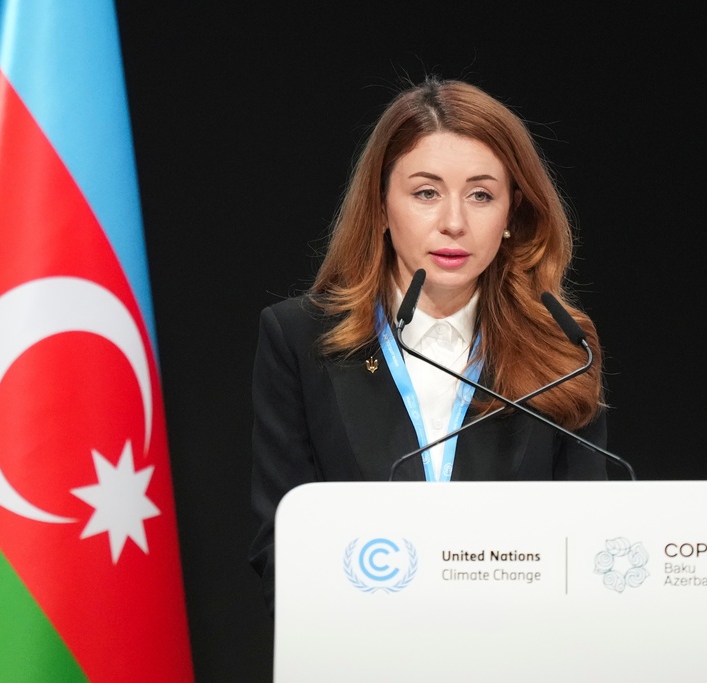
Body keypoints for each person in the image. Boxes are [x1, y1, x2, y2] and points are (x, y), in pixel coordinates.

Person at [249, 76, 609, 615]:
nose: (454, 223)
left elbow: (592, 544)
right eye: (426, 193)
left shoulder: (562, 348)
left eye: (482, 195)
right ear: (381, 204)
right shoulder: (300, 339)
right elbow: (280, 545)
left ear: (512, 213)